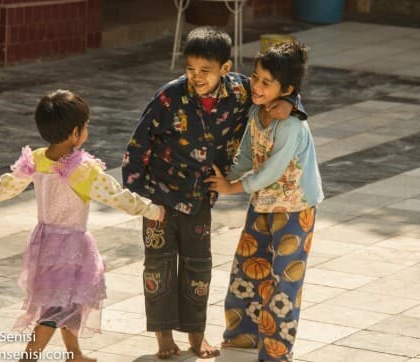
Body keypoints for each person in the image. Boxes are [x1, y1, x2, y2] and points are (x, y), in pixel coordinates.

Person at [122, 27, 306, 359]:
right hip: (159, 199)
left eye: (205, 70)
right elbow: (138, 145)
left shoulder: (240, 91)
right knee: (158, 265)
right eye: (190, 69)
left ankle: (196, 337)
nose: (197, 77)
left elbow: (275, 86)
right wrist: (140, 198)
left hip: (200, 198)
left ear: (225, 68)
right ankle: (163, 336)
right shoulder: (169, 96)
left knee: (198, 268)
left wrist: (291, 102)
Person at [0, 90, 164, 362]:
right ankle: (28, 358)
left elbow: (9, 184)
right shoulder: (83, 169)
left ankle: (74, 353)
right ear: (76, 133)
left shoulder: (37, 159)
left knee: (69, 300)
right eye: (86, 126)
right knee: (56, 307)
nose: (87, 130)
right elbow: (116, 196)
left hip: (44, 243)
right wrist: (151, 209)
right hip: (71, 247)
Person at [205, 41, 324, 362]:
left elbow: (272, 170)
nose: (255, 86)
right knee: (247, 267)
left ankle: (276, 351)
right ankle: (241, 335)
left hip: (295, 208)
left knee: (284, 279)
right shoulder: (258, 112)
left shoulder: (292, 124)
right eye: (256, 77)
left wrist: (233, 188)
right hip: (263, 203)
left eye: (265, 82)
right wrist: (227, 176)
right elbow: (246, 154)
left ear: (286, 90)